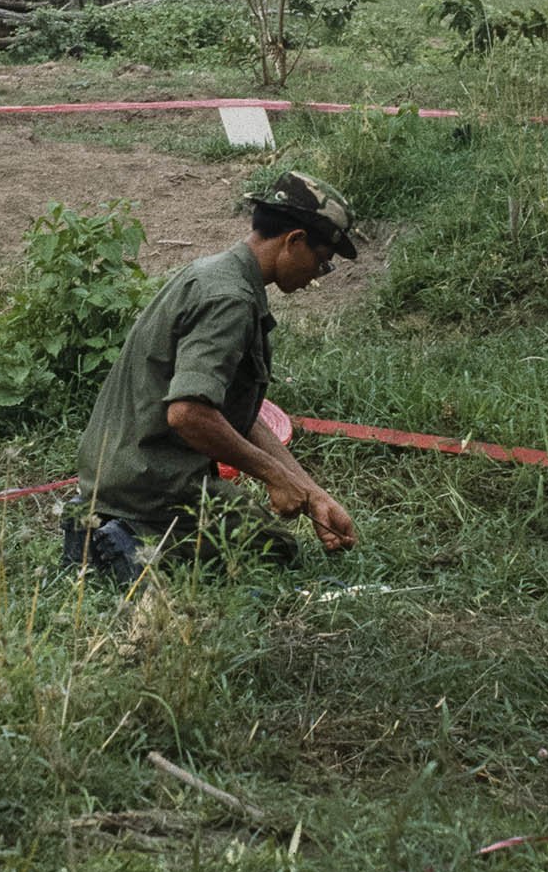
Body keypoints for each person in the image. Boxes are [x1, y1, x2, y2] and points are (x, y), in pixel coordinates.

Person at [65, 172, 360, 582]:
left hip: (117, 472)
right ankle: (133, 541)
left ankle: (109, 524)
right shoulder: (230, 301)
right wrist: (274, 477)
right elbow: (188, 414)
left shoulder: (216, 273)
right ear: (294, 241)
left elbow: (230, 410)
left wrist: (312, 494)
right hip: (150, 485)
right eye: (322, 260)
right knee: (275, 549)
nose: (318, 274)